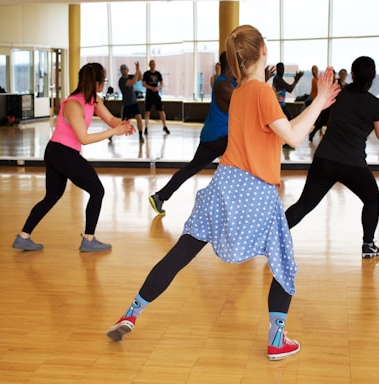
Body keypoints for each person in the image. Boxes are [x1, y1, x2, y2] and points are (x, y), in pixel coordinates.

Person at [106, 25, 339, 360]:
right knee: (284, 263)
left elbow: (282, 130)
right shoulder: (261, 92)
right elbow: (293, 138)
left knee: (181, 252)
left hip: (224, 182)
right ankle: (277, 340)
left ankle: (131, 312)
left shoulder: (242, 91)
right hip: (255, 189)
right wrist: (318, 101)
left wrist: (316, 103)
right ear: (263, 51)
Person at [12, 63, 135, 252]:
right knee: (97, 191)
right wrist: (113, 132)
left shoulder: (94, 100)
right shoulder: (73, 104)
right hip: (61, 153)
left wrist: (123, 125)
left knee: (52, 196)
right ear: (96, 83)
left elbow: (111, 119)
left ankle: (23, 236)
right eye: (103, 80)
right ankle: (88, 239)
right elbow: (84, 139)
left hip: (60, 152)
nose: (104, 84)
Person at [286, 56, 379, 258]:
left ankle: (271, 238)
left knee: (303, 205)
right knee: (373, 200)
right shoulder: (374, 104)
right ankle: (368, 245)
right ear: (373, 76)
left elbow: (321, 111)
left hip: (324, 160)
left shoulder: (337, 94)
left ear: (352, 74)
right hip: (352, 164)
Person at [148, 51, 236, 215]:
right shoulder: (223, 85)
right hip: (218, 138)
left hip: (218, 136)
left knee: (196, 168)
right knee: (240, 167)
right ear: (230, 65)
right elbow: (244, 101)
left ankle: (160, 196)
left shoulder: (231, 82)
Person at [273, 62, 304, 150]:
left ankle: (285, 142)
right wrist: (297, 80)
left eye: (283, 68)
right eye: (280, 68)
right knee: (289, 121)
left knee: (289, 121)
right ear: (277, 69)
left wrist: (296, 80)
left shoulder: (279, 78)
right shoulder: (278, 79)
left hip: (281, 105)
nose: (282, 70)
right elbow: (290, 89)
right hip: (279, 105)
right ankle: (286, 142)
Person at [142, 59, 170, 135]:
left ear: (155, 65)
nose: (152, 65)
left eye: (153, 64)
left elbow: (162, 84)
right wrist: (151, 88)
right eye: (151, 64)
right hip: (149, 95)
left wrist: (157, 87)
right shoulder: (146, 74)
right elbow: (143, 84)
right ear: (149, 65)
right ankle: (146, 128)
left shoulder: (158, 74)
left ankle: (165, 126)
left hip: (156, 95)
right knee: (147, 111)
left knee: (161, 111)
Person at [119, 62, 144, 143]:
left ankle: (141, 135)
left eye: (125, 69)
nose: (123, 71)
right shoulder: (121, 81)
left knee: (139, 118)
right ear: (121, 71)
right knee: (123, 123)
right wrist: (137, 70)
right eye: (122, 70)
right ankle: (111, 135)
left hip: (134, 103)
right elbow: (133, 81)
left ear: (128, 70)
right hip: (126, 105)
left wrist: (138, 69)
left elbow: (140, 78)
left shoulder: (130, 76)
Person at [308, 69, 336, 142]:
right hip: (327, 106)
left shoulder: (337, 83)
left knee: (326, 122)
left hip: (333, 106)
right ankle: (312, 133)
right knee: (323, 121)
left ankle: (316, 134)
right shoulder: (328, 83)